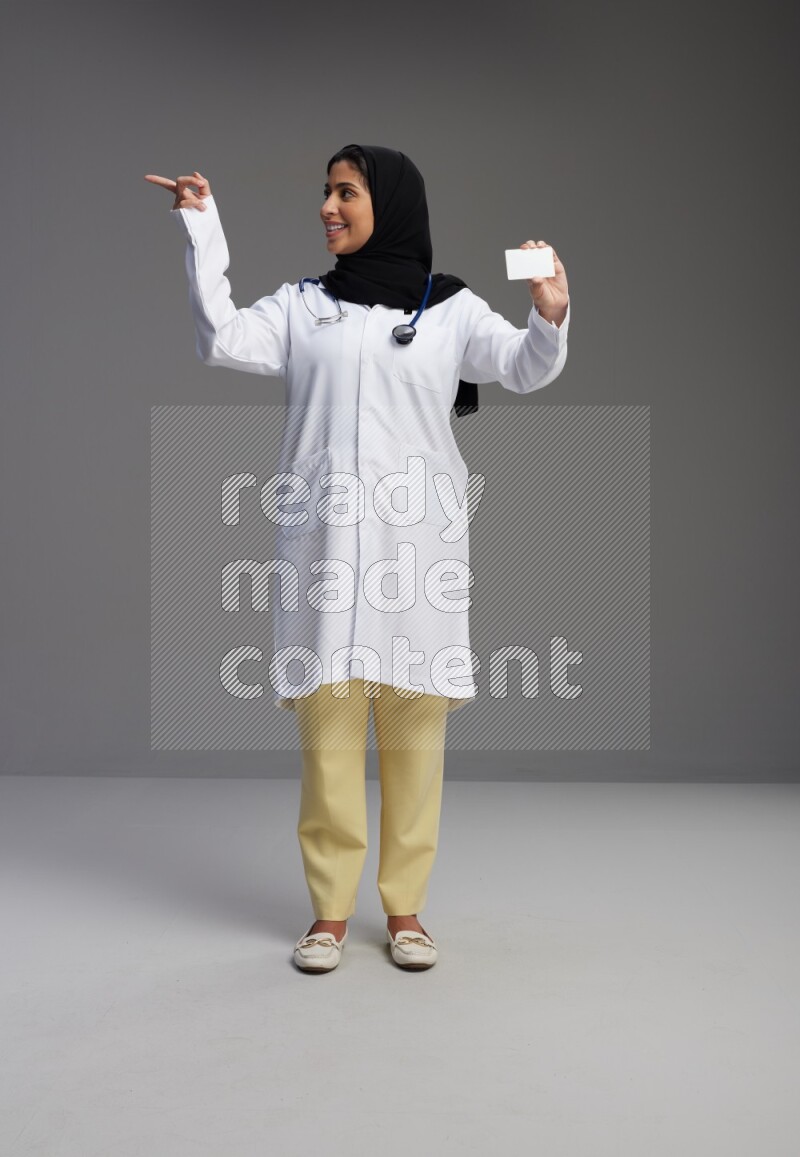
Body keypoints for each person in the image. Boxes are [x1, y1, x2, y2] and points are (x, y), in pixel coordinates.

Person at [145, 144, 570, 973]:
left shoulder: (448, 310)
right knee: (329, 740)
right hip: (325, 555)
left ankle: (406, 910)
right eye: (327, 192)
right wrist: (203, 227)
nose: (327, 207)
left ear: (393, 206)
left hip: (417, 556)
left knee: (415, 740)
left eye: (346, 192)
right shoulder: (305, 308)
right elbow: (223, 337)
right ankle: (329, 914)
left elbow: (523, 367)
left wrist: (549, 312)